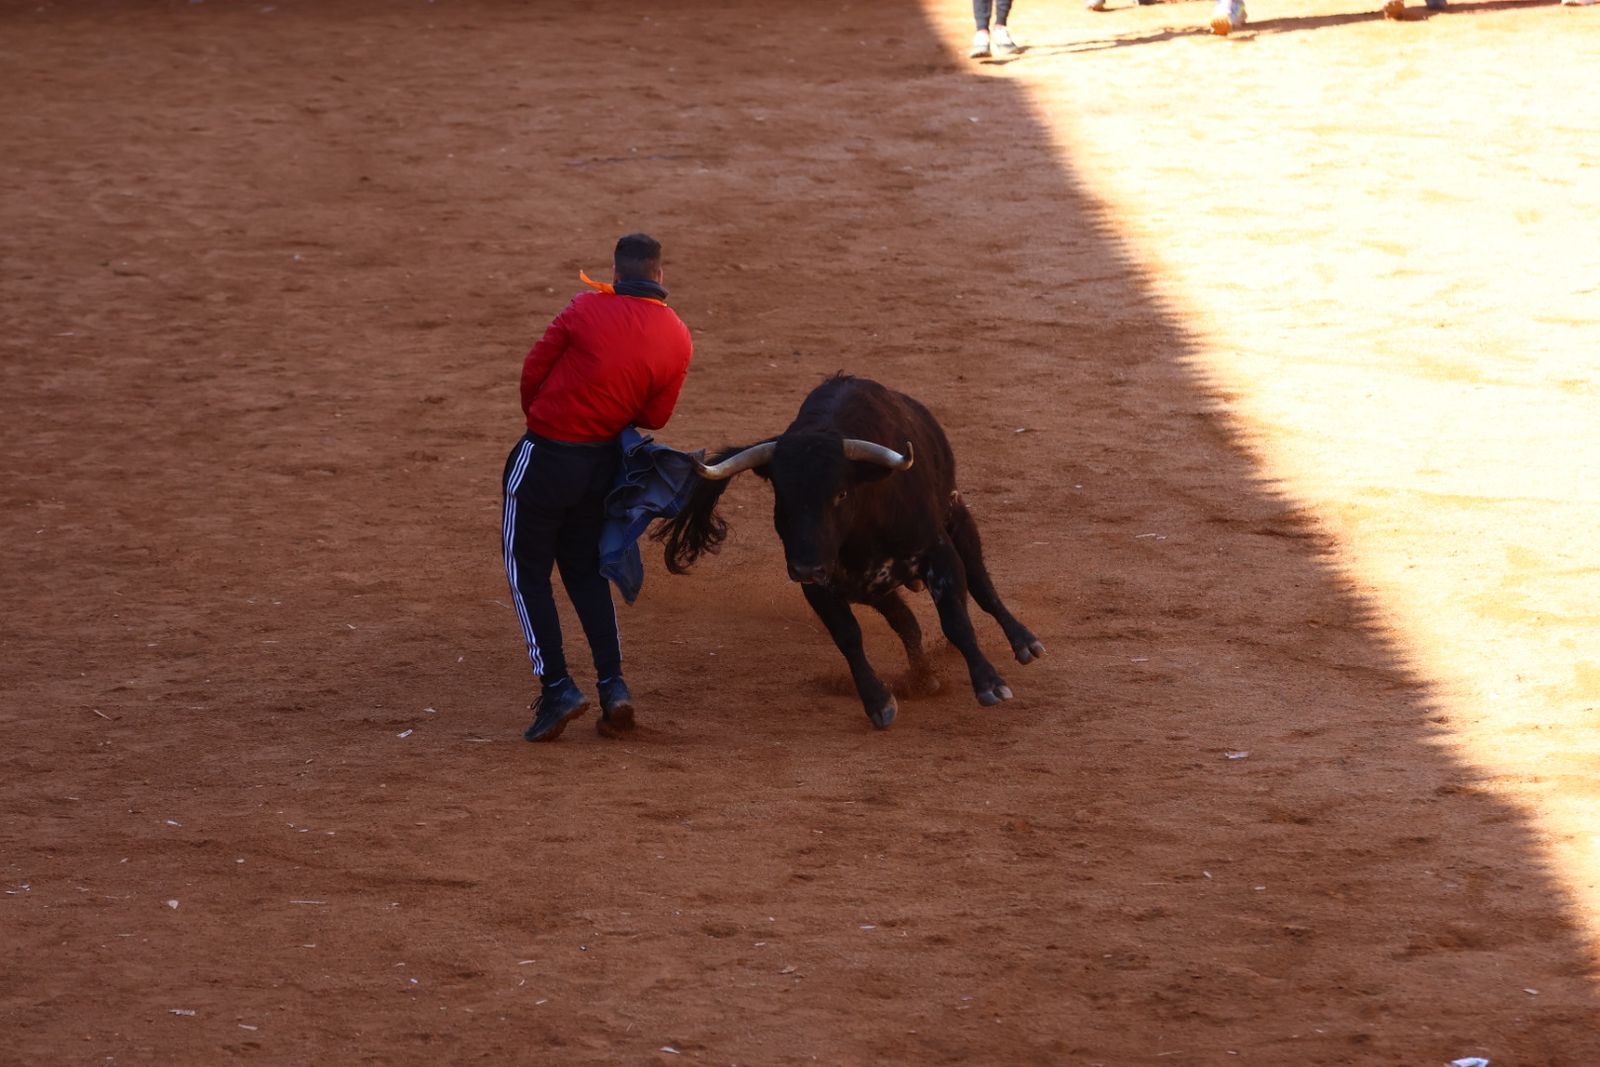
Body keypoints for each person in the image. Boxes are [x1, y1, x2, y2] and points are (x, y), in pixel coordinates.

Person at [501, 233, 693, 742]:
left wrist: (549, 423)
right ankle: (613, 686)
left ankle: (558, 686)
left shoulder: (584, 309)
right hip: (601, 469)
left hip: (545, 458)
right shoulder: (677, 334)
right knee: (586, 574)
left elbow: (532, 372)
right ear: (659, 275)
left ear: (615, 272)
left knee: (528, 575)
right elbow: (655, 415)